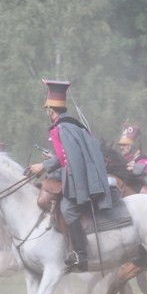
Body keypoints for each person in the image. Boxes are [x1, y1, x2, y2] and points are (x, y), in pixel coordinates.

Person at [27, 80, 112, 271]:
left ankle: (80, 254)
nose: (47, 113)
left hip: (76, 178)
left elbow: (69, 157)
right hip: (73, 174)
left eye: (47, 109)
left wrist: (44, 165)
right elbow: (65, 155)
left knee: (68, 209)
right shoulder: (69, 125)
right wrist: (52, 160)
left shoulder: (62, 128)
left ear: (51, 110)